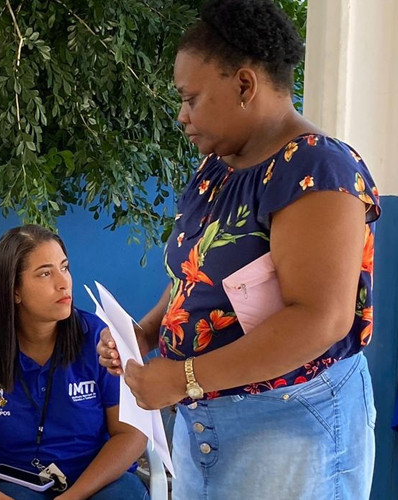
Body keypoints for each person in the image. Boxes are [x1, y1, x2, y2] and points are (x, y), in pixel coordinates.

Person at [97, 1, 379, 499]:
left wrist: (183, 377)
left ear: (245, 85)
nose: (182, 115)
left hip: (288, 429)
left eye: (192, 98)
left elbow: (320, 318)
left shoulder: (318, 171)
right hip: (208, 425)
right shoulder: (221, 166)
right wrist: (145, 333)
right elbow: (195, 275)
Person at [0, 225, 149, 500]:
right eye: (45, 273)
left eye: (64, 268)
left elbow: (130, 434)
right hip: (17, 481)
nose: (63, 282)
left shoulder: (99, 340)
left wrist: (74, 495)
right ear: (14, 290)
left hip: (98, 481)